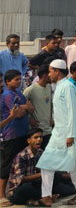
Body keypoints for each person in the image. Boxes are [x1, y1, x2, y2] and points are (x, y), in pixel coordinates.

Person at [36, 59, 76, 206]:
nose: (49, 74)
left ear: (57, 71)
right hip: (59, 132)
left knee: (53, 164)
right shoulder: (60, 86)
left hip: (66, 133)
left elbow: (73, 111)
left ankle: (48, 197)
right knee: (65, 164)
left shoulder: (67, 86)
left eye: (50, 71)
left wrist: (70, 134)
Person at [7, 128, 76, 206]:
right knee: (27, 188)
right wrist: (42, 174)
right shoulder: (21, 156)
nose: (39, 139)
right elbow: (21, 179)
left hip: (35, 185)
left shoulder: (40, 152)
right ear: (29, 141)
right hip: (19, 190)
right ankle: (45, 197)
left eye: (41, 137)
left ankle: (41, 198)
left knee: (55, 178)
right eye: (36, 137)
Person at [0, 70, 33, 206]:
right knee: (7, 164)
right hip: (11, 134)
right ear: (8, 81)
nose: (19, 82)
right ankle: (1, 195)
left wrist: (23, 107)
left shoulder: (19, 93)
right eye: (16, 80)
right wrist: (25, 108)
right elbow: (18, 114)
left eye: (20, 79)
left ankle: (18, 193)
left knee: (20, 163)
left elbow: (31, 108)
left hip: (23, 132)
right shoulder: (7, 95)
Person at [23, 65, 53, 148]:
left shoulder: (49, 87)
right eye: (50, 73)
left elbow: (50, 104)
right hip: (37, 131)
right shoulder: (30, 90)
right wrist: (28, 119)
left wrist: (51, 117)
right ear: (44, 76)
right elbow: (20, 106)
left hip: (48, 129)